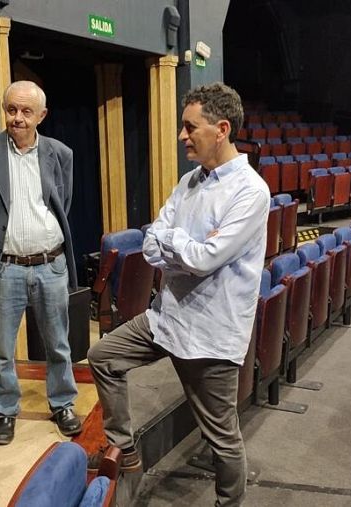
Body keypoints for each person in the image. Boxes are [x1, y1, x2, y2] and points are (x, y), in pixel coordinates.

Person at [86, 83, 269, 507]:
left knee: (222, 436)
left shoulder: (250, 190)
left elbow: (205, 259)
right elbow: (152, 240)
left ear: (221, 129)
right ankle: (124, 449)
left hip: (210, 333)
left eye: (190, 127)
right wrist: (181, 244)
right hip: (167, 317)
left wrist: (175, 243)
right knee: (103, 357)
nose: (182, 136)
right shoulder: (189, 182)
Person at [0, 80, 81, 445]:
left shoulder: (60, 153)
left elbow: (62, 204)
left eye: (26, 111)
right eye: (11, 109)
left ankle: (63, 403)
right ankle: (4, 411)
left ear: (41, 115)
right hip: (5, 267)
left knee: (58, 344)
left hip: (51, 265)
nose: (17, 118)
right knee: (1, 349)